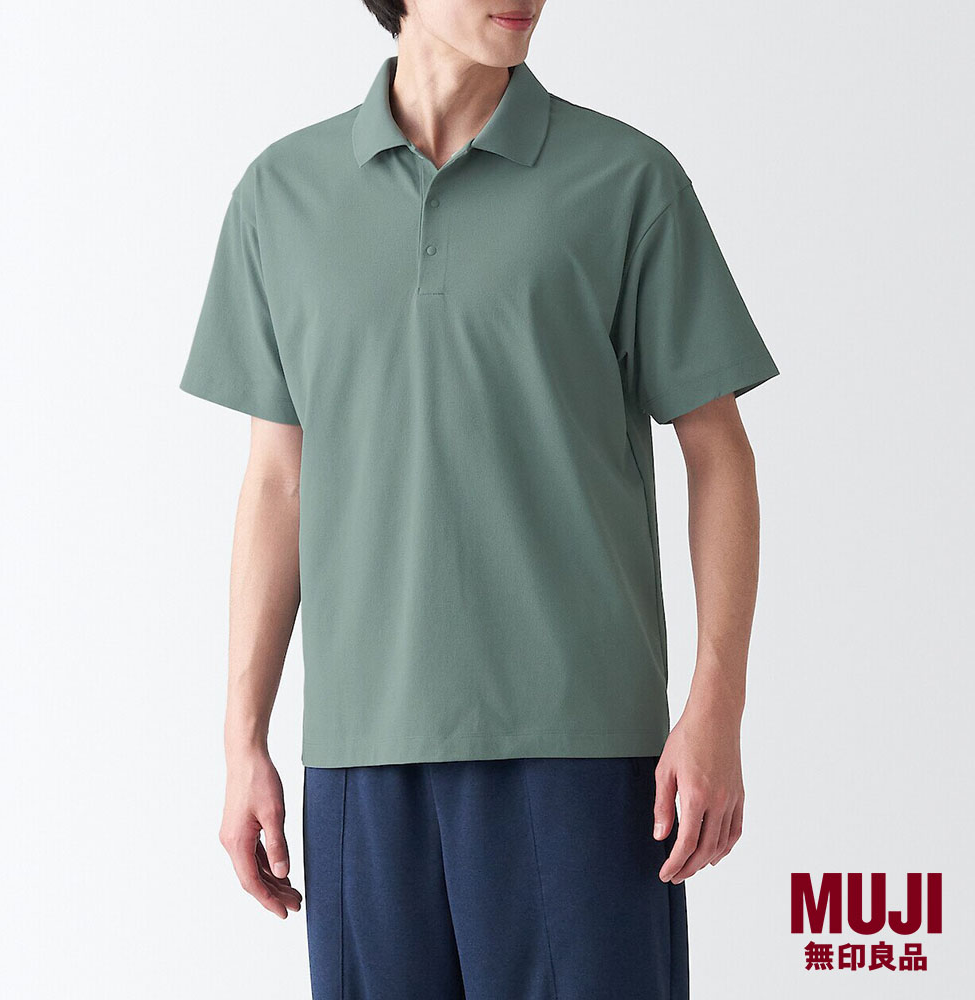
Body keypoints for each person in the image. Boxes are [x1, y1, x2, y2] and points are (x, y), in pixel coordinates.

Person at [179, 1, 779, 997]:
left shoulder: (628, 180)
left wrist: (717, 706)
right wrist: (243, 739)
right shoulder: (279, 196)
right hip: (360, 755)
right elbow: (278, 478)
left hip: (584, 750)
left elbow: (718, 452)